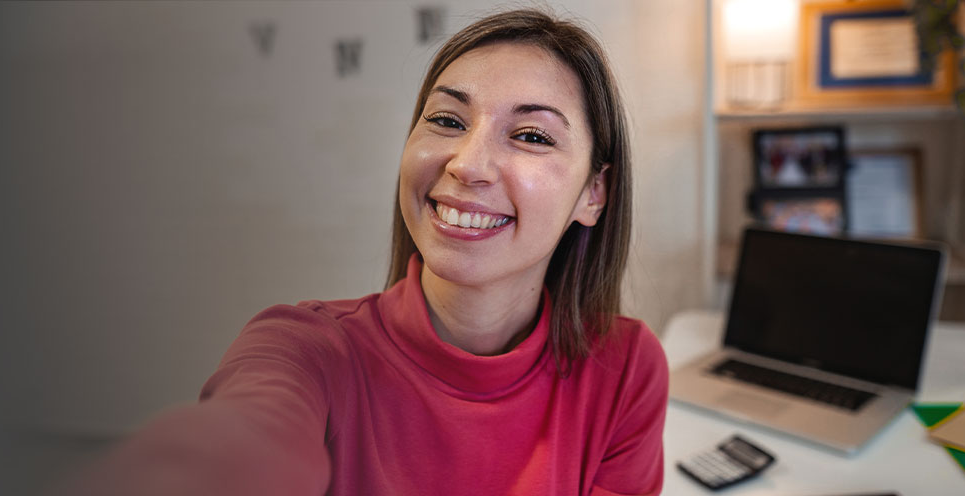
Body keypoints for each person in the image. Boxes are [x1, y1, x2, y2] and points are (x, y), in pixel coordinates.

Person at [58, 8, 666, 496]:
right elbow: (243, 441)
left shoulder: (626, 367)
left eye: (530, 135)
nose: (467, 163)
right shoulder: (305, 350)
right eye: (448, 121)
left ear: (594, 193)